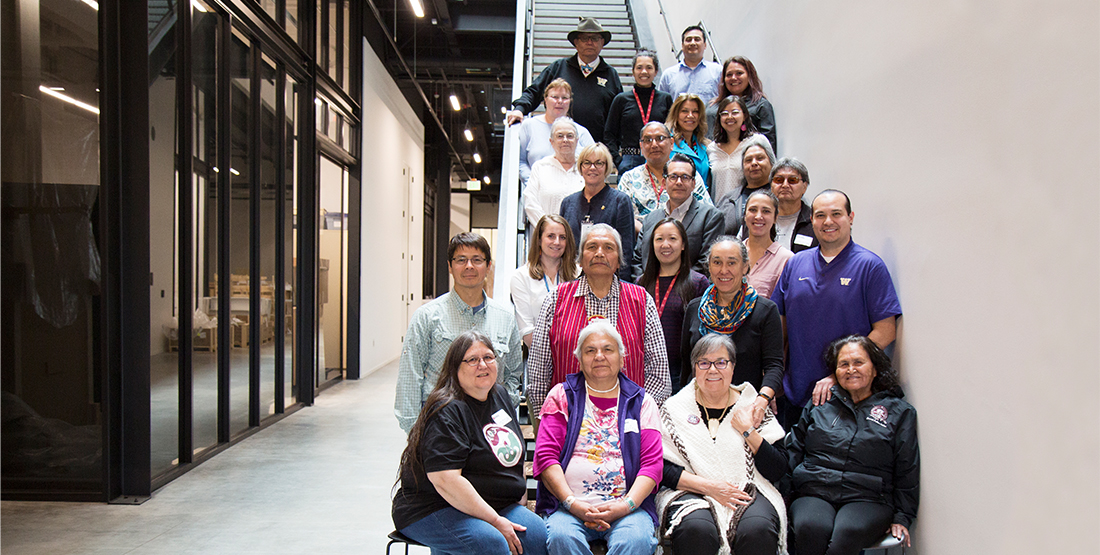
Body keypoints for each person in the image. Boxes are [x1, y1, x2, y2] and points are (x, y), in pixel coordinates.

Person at [392, 332, 548, 555]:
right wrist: (495, 520)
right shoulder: (446, 411)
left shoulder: (499, 395)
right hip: (435, 506)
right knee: (490, 542)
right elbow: (446, 480)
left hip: (492, 500)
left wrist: (518, 499)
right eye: (472, 359)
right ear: (455, 367)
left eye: (488, 357)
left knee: (536, 534)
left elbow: (513, 452)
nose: (482, 365)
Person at [771, 190, 903, 428]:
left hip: (848, 396)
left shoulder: (869, 266)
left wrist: (838, 375)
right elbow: (779, 326)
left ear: (850, 217)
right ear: (811, 220)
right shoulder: (795, 264)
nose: (828, 222)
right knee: (794, 463)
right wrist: (773, 376)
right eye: (820, 215)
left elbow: (886, 331)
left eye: (836, 214)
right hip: (797, 392)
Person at [533, 320, 662, 555]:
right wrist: (572, 503)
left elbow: (652, 465)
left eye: (608, 349)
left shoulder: (642, 402)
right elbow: (545, 457)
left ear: (622, 358)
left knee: (635, 541)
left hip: (628, 509)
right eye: (590, 350)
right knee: (562, 538)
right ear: (579, 360)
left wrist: (624, 506)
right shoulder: (561, 395)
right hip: (567, 508)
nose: (599, 356)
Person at [786, 335, 919, 555]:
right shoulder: (821, 402)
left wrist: (903, 515)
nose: (851, 370)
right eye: (843, 364)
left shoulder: (899, 412)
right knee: (811, 528)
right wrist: (783, 493)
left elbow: (908, 468)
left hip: (869, 497)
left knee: (848, 532)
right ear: (835, 372)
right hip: (816, 490)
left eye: (858, 362)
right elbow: (794, 450)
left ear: (875, 368)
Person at [527, 223, 671, 425]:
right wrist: (551, 421)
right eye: (592, 247)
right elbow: (539, 371)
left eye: (608, 248)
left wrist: (636, 417)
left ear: (619, 261)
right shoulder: (556, 299)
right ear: (580, 258)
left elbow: (659, 374)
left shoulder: (641, 301)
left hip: (628, 423)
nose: (600, 253)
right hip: (566, 423)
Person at [657, 334, 787, 555]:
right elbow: (661, 468)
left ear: (733, 367)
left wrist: (748, 431)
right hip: (692, 490)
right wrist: (710, 487)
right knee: (695, 528)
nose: (713, 370)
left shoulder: (753, 407)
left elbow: (778, 468)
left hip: (748, 489)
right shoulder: (673, 409)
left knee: (757, 529)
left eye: (721, 362)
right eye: (704, 363)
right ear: (694, 368)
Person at [395, 233, 523, 433]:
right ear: (450, 266)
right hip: (441, 425)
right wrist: (415, 431)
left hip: (490, 428)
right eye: (461, 260)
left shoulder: (506, 318)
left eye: (477, 260)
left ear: (488, 266)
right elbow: (410, 376)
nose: (469, 266)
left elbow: (514, 373)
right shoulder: (427, 317)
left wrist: (504, 404)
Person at [681, 237, 783, 408]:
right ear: (709, 267)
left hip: (745, 407)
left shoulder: (765, 310)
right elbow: (686, 364)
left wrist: (763, 398)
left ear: (744, 267)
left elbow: (774, 366)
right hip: (697, 407)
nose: (723, 270)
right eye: (717, 262)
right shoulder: (695, 308)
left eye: (732, 263)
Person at [506, 18, 622, 143]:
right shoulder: (558, 68)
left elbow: (619, 115)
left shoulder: (611, 75)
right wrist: (519, 109)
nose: (589, 42)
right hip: (559, 144)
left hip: (595, 149)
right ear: (576, 42)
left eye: (594, 38)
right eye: (584, 38)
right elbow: (534, 91)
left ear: (602, 42)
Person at [635, 218, 709, 392]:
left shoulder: (698, 283)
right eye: (659, 239)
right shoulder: (641, 284)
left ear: (683, 244)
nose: (665, 244)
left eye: (672, 239)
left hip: (681, 372)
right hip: (645, 371)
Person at [631, 154, 724, 279]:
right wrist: (644, 285)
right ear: (664, 182)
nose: (679, 182)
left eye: (685, 177)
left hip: (690, 292)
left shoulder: (711, 217)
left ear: (693, 184)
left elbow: (707, 262)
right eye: (673, 177)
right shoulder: (650, 219)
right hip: (649, 292)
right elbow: (638, 259)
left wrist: (672, 284)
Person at [558, 143, 635, 282]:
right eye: (587, 163)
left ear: (607, 167)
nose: (592, 168)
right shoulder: (568, 203)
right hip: (571, 281)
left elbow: (626, 251)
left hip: (608, 282)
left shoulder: (620, 201)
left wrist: (622, 286)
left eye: (599, 163)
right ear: (581, 167)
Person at [617, 122, 710, 235]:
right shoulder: (629, 178)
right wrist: (649, 236)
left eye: (660, 138)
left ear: (671, 143)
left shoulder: (688, 174)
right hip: (641, 243)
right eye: (647, 140)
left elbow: (706, 213)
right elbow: (624, 216)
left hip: (685, 241)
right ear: (641, 146)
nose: (654, 145)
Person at [511, 215, 579, 346]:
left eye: (562, 237)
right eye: (551, 236)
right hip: (541, 360)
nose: (557, 242)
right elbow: (527, 332)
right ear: (539, 240)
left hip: (576, 360)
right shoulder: (521, 277)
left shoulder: (579, 274)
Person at [604, 50, 673, 175]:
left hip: (658, 157)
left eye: (649, 68)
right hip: (630, 158)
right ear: (633, 71)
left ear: (656, 71)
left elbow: (672, 131)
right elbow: (609, 134)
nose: (644, 72)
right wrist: (618, 160)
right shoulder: (621, 99)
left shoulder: (665, 99)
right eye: (639, 68)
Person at [518, 79, 596, 187]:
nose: (560, 101)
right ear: (545, 99)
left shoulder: (581, 132)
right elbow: (520, 161)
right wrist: (532, 183)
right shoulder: (529, 126)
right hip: (537, 192)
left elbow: (595, 162)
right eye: (554, 97)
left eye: (564, 98)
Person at [705, 56, 777, 153]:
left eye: (739, 73)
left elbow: (769, 149)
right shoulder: (711, 107)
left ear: (749, 76)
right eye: (729, 75)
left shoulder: (761, 105)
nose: (734, 78)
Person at [524, 117, 585, 227]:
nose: (565, 140)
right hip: (548, 238)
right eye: (560, 136)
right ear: (551, 141)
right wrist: (548, 228)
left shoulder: (586, 168)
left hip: (580, 238)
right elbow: (530, 202)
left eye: (570, 136)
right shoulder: (540, 167)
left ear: (577, 140)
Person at [715, 135, 775, 236]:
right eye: (748, 160)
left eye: (760, 158)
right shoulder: (727, 200)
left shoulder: (781, 197)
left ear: (772, 163)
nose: (754, 163)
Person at [707, 95, 762, 202]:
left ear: (745, 115)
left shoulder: (756, 141)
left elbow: (771, 174)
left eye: (735, 112)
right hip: (718, 212)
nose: (729, 117)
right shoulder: (712, 148)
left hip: (747, 211)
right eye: (724, 114)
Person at [741, 189, 793, 298]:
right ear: (745, 215)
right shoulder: (733, 253)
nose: (758, 216)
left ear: (775, 217)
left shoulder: (786, 259)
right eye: (753, 210)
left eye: (766, 211)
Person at [656, 25, 722, 103]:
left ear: (705, 45)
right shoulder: (668, 75)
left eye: (697, 39)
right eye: (688, 40)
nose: (693, 43)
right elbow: (662, 104)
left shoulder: (718, 71)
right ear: (682, 45)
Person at [770, 157, 818, 253]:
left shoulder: (815, 221)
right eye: (779, 180)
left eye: (792, 180)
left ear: (804, 187)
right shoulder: (757, 218)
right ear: (771, 186)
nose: (785, 185)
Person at [666, 93, 711, 186]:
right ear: (676, 114)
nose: (690, 115)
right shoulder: (666, 143)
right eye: (685, 111)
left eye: (695, 111)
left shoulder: (704, 145)